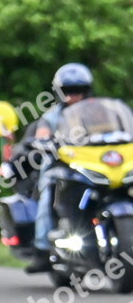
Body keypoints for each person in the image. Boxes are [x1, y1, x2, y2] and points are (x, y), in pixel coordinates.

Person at [23, 63, 96, 271]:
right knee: (48, 195)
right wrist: (44, 141)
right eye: (67, 91)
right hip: (61, 168)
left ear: (86, 91)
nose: (73, 96)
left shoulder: (98, 113)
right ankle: (42, 249)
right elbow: (42, 135)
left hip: (94, 168)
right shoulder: (51, 117)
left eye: (78, 91)